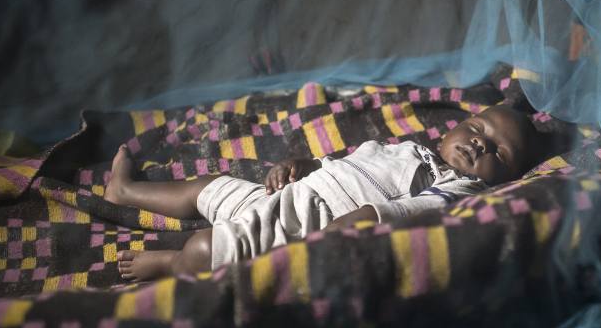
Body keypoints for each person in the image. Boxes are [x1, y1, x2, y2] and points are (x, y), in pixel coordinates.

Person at [104, 105, 541, 281]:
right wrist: (302, 164)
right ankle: (126, 190)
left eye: (499, 153)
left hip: (305, 228)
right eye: (477, 129)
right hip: (284, 197)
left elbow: (408, 210)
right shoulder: (408, 147)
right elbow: (345, 164)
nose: (481, 142)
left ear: (505, 178)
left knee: (202, 250)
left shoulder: (459, 189)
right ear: (453, 131)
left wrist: (339, 233)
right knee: (206, 187)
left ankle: (169, 264)